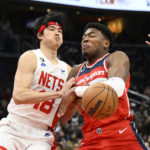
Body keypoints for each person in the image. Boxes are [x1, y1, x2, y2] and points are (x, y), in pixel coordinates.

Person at [58, 22, 148, 150]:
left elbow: (115, 87)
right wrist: (68, 101)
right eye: (83, 37)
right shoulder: (75, 71)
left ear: (106, 43)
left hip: (120, 134)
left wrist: (76, 91)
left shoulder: (115, 57)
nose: (85, 38)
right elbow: (64, 118)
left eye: (91, 36)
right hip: (91, 138)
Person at [0, 11, 75, 150]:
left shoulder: (68, 70)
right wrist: (58, 93)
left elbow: (64, 118)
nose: (57, 33)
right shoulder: (30, 57)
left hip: (42, 135)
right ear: (40, 35)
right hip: (14, 127)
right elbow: (19, 96)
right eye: (51, 29)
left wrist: (73, 101)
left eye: (60, 31)